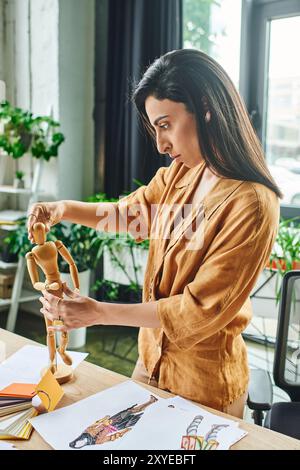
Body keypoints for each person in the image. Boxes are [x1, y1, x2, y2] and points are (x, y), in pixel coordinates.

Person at [27, 49, 282, 418]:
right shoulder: (181, 174)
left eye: (165, 125)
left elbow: (197, 310)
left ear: (207, 108)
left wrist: (98, 312)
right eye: (155, 128)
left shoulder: (252, 204)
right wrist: (63, 209)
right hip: (149, 363)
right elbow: (128, 215)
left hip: (204, 386)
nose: (160, 144)